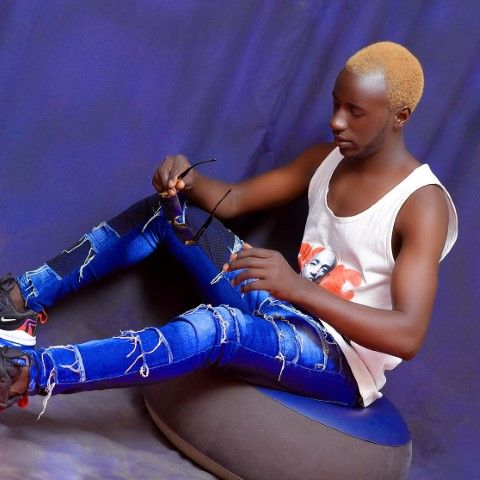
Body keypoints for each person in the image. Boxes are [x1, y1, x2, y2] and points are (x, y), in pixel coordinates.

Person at [0, 41, 457, 416]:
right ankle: (15, 301)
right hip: (285, 302)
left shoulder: (423, 204)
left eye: (355, 111)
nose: (336, 121)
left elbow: (407, 335)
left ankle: (23, 374)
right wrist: (190, 179)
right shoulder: (327, 159)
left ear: (400, 116)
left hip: (340, 360)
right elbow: (235, 199)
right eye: (336, 104)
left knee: (216, 327)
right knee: (170, 212)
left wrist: (297, 289)